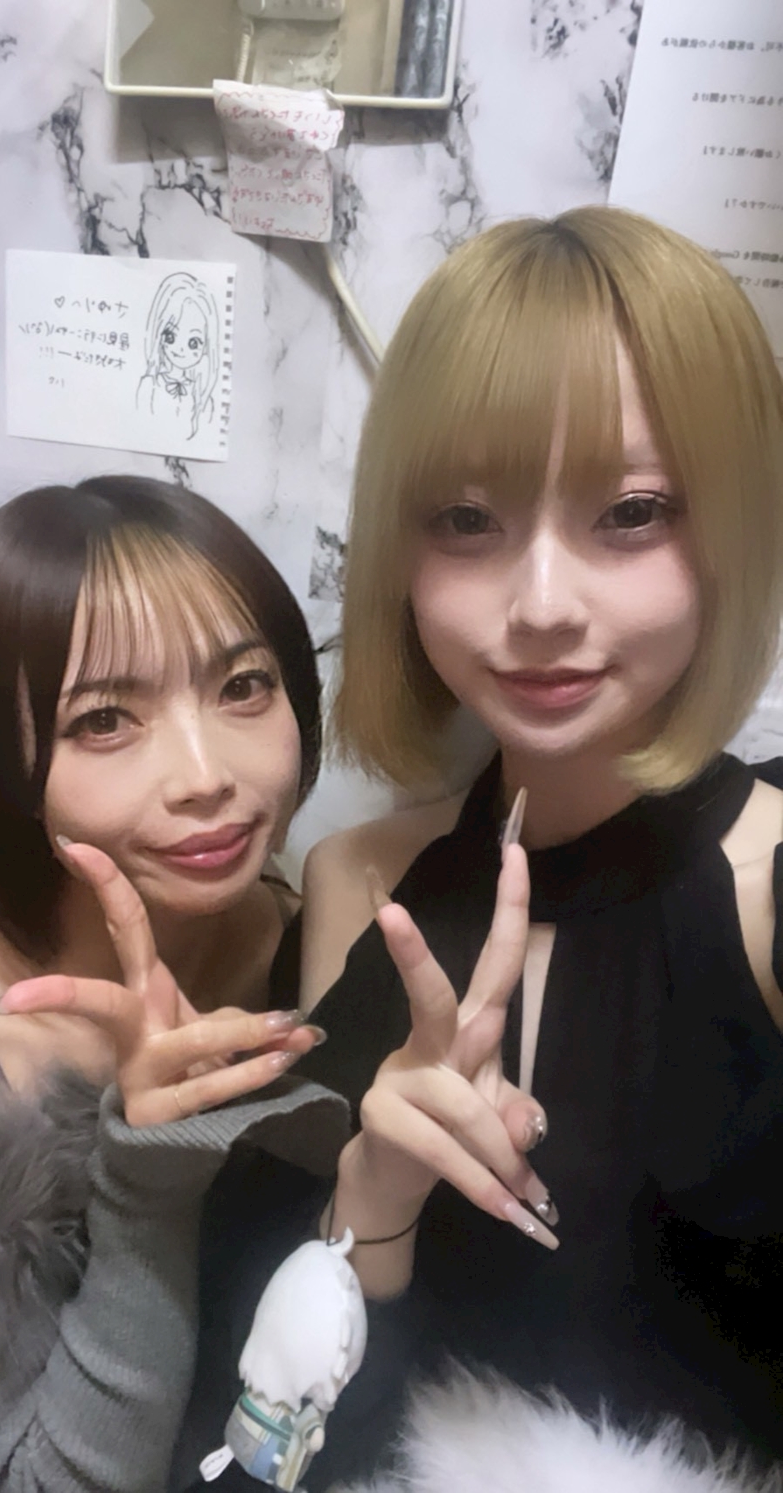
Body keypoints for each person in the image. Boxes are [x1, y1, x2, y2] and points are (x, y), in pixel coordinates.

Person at [168, 206, 783, 1490]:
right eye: (464, 519)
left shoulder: (766, 886)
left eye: (630, 512)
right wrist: (373, 1197)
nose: (541, 604)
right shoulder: (357, 882)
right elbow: (271, 1440)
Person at [0, 475, 348, 1492]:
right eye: (104, 720)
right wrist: (148, 1171)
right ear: (2, 757)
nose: (206, 774)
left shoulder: (319, 931)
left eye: (243, 685)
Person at [136, 272, 220, 439]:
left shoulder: (203, 399)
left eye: (193, 343)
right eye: (170, 336)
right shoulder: (149, 386)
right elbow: (138, 428)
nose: (180, 349)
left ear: (206, 346)